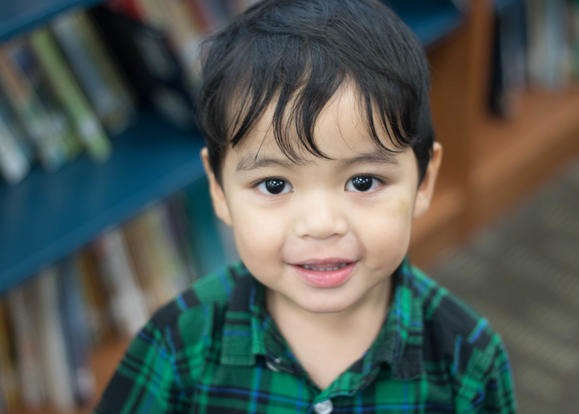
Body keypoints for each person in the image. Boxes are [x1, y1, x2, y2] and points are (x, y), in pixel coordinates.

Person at [95, 0, 517, 412]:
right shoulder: (177, 344)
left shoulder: (468, 363)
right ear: (219, 190)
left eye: (363, 181)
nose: (321, 225)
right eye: (275, 184)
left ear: (424, 180)